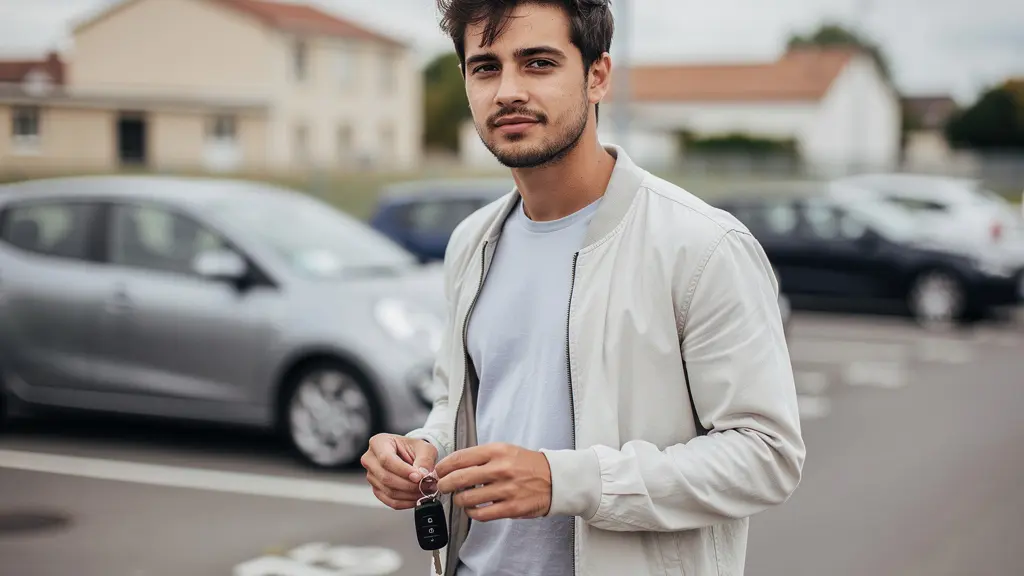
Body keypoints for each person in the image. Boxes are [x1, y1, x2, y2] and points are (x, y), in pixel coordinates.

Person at [359, 1, 806, 575]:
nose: (508, 91)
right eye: (485, 67)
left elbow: (766, 457)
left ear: (597, 76)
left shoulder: (703, 246)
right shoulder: (472, 242)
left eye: (538, 63)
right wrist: (422, 449)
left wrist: (565, 481)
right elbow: (466, 405)